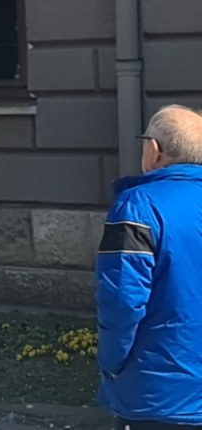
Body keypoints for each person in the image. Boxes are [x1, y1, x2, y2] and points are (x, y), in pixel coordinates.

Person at [97, 103, 202, 429]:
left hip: (158, 397)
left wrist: (111, 364)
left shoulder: (138, 207)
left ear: (154, 150)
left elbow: (122, 302)